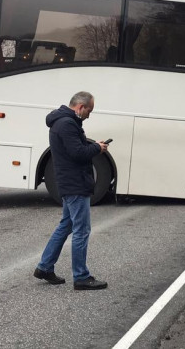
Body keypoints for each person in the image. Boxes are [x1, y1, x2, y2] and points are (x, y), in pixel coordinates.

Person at [34, 91, 110, 290]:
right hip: (75, 183)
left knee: (66, 226)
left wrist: (93, 144)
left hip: (69, 182)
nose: (89, 115)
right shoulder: (67, 124)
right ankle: (81, 277)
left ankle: (44, 267)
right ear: (80, 107)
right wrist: (97, 149)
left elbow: (74, 147)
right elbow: (77, 153)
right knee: (81, 230)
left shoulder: (63, 121)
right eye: (89, 110)